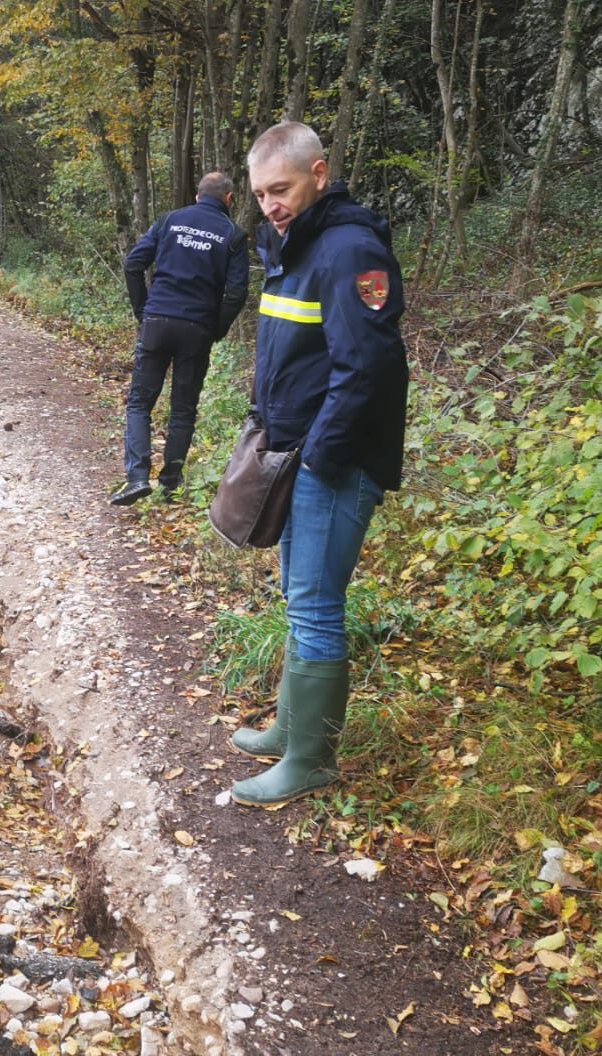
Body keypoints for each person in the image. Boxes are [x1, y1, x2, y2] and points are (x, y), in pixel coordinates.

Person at [229, 121, 408, 808]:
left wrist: (321, 460)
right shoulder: (292, 244)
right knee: (297, 597)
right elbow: (293, 352)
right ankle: (290, 729)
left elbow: (368, 366)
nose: (270, 204)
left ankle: (311, 759)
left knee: (315, 603)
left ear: (319, 173)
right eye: (261, 194)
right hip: (295, 451)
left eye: (282, 188)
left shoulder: (347, 248)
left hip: (333, 461)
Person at [110, 172, 250, 505]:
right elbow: (237, 292)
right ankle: (170, 483)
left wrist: (143, 311)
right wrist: (216, 327)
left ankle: (136, 477)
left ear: (198, 195)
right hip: (197, 328)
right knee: (183, 410)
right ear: (228, 199)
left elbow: (133, 264)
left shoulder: (170, 221)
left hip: (157, 320)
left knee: (140, 403)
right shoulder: (232, 234)